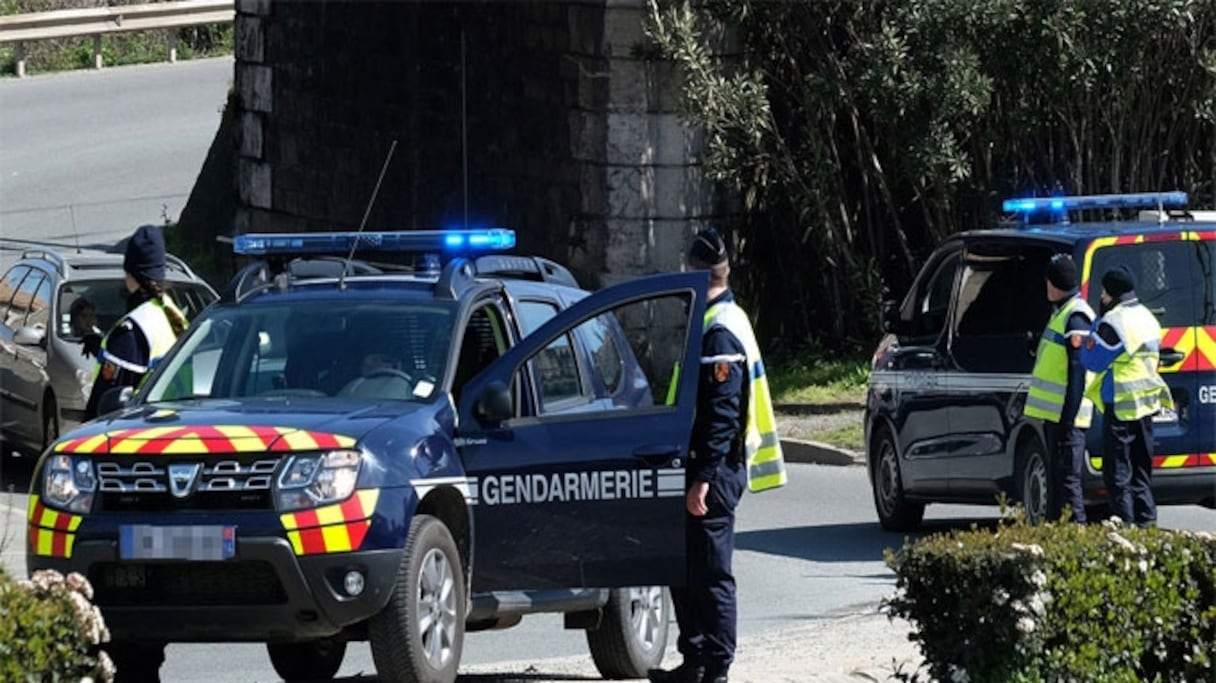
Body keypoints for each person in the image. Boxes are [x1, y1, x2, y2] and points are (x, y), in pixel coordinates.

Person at [650, 228, 786, 683]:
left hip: (714, 470)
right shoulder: (722, 319)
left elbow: (722, 413)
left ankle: (717, 666)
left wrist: (703, 476)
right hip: (700, 466)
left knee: (710, 573)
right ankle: (695, 660)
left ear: (695, 273)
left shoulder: (720, 330)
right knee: (686, 568)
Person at [1080, 265, 1172, 527]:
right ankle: (1147, 524)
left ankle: (1126, 530)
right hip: (1145, 406)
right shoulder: (1147, 317)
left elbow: (1092, 360)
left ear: (1110, 293)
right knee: (1141, 471)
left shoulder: (1114, 322)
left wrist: (1098, 322)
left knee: (1118, 474)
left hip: (1120, 405)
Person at [1022, 254, 1094, 523]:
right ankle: (1058, 541)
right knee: (1058, 482)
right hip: (1058, 417)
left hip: (1068, 418)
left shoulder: (1075, 316)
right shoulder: (1063, 313)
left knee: (1068, 482)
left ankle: (1078, 544)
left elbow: (1078, 371)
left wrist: (1068, 417)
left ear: (1053, 284)